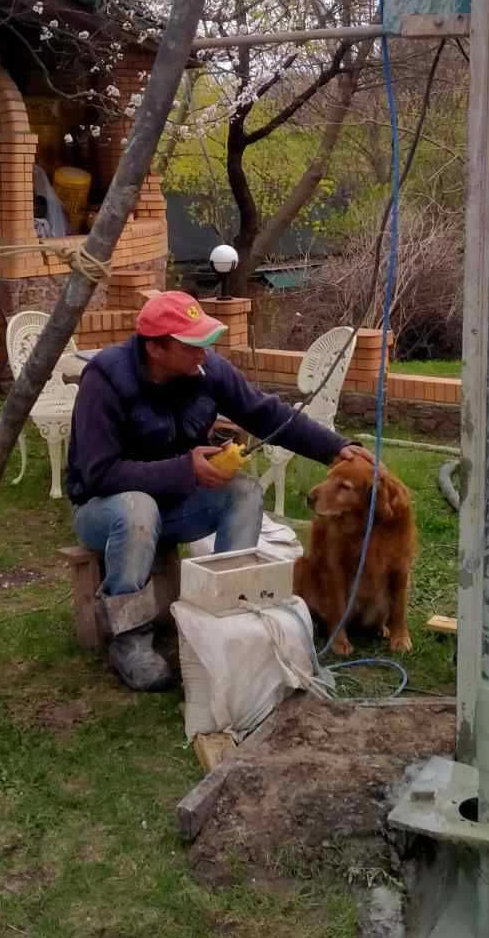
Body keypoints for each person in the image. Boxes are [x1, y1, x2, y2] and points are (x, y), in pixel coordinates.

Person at [68, 289, 366, 692]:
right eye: (192, 345)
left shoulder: (206, 371)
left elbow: (265, 412)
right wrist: (183, 469)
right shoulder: (105, 380)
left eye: (205, 341)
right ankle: (130, 639)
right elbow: (98, 474)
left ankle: (229, 616)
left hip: (172, 505)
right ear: (156, 348)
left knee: (242, 491)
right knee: (136, 508)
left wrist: (333, 447)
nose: (204, 353)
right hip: (104, 510)